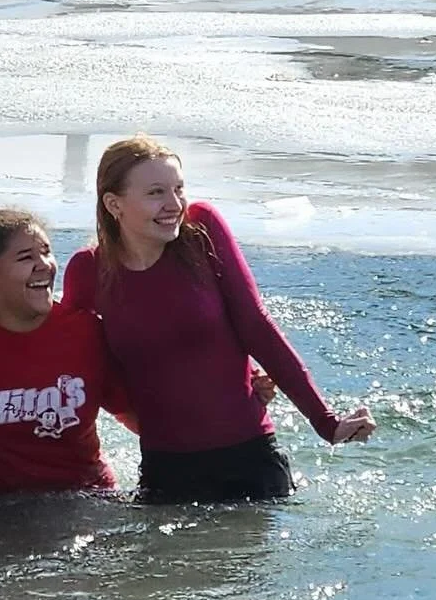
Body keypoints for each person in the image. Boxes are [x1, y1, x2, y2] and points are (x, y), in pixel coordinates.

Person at [63, 135, 376, 505]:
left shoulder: (202, 232)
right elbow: (72, 362)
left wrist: (327, 422)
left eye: (179, 188)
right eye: (156, 193)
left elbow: (256, 325)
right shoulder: (89, 270)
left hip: (251, 461)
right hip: (166, 471)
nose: (174, 204)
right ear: (114, 204)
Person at [0, 208, 131, 496]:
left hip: (84, 501)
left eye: (46, 253)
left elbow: (130, 414)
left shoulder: (86, 330)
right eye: (26, 257)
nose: (44, 265)